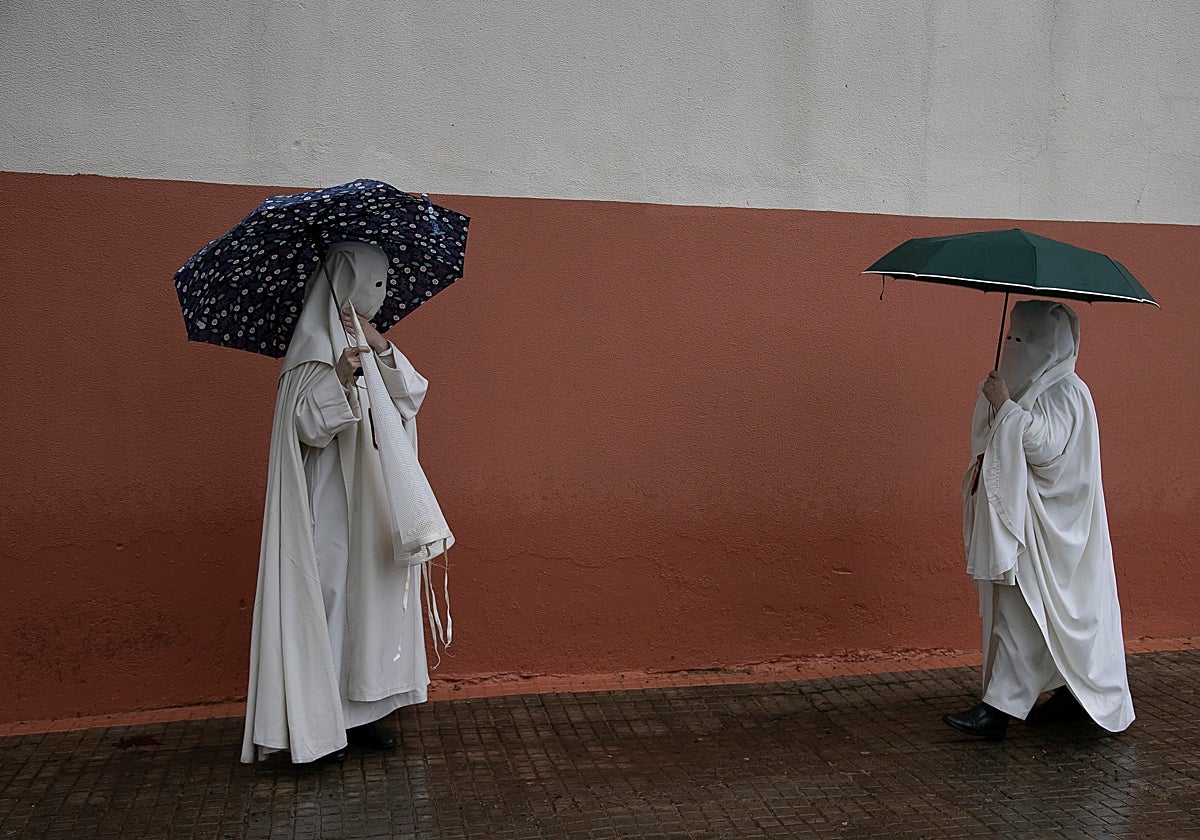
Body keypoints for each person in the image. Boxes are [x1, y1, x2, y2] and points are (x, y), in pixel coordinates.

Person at [241, 240, 432, 763]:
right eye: (372, 283)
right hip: (329, 501)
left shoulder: (367, 337)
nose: (380, 295)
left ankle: (367, 710)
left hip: (375, 500)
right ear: (345, 283)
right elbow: (303, 427)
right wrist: (340, 378)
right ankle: (323, 726)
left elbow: (410, 395)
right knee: (329, 599)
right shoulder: (309, 352)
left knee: (374, 605)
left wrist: (381, 348)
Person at [943, 299, 1134, 740]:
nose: (1014, 347)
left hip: (1055, 531)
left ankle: (998, 710)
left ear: (1051, 345)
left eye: (1025, 340)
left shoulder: (1067, 392)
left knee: (1027, 610)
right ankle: (1069, 691)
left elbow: (1046, 450)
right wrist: (999, 403)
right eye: (1011, 337)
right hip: (1028, 522)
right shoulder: (1031, 387)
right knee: (1029, 610)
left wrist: (1007, 407)